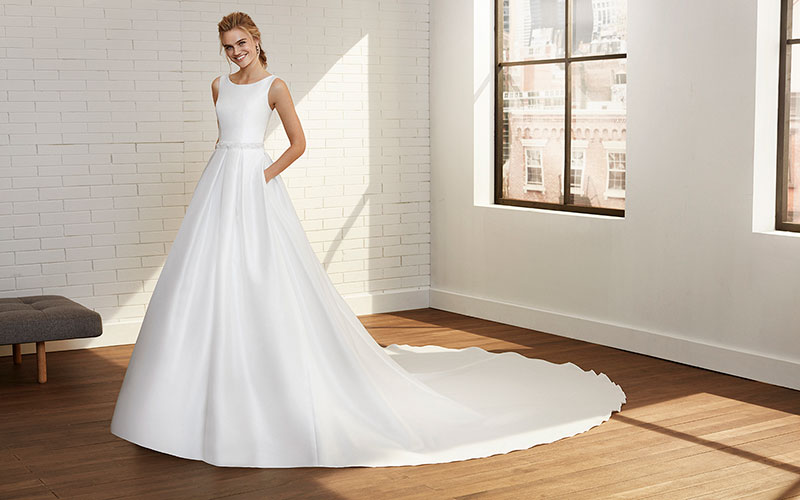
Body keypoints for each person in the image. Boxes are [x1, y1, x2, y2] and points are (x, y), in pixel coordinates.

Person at [109, 11, 626, 469]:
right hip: (218, 181)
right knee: (204, 279)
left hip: (251, 181)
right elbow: (222, 138)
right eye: (228, 47)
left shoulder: (276, 86)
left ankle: (269, 380)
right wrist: (226, 174)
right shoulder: (219, 86)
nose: (235, 52)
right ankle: (193, 392)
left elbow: (298, 143)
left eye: (242, 43)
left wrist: (260, 178)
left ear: (257, 42)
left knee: (263, 274)